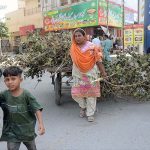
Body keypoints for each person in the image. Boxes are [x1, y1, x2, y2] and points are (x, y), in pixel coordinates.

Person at [0, 66, 45, 150]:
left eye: (13, 79)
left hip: (27, 131)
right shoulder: (4, 95)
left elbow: (37, 108)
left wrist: (41, 124)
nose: (10, 82)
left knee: (32, 147)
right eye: (7, 79)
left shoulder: (26, 94)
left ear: (20, 80)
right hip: (12, 132)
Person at [70, 28, 107, 122]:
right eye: (76, 36)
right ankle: (83, 107)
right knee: (77, 94)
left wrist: (103, 72)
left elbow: (98, 60)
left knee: (91, 94)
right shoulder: (73, 47)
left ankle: (90, 113)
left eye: (79, 35)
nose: (77, 38)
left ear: (84, 36)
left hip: (91, 73)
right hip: (78, 74)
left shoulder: (92, 46)